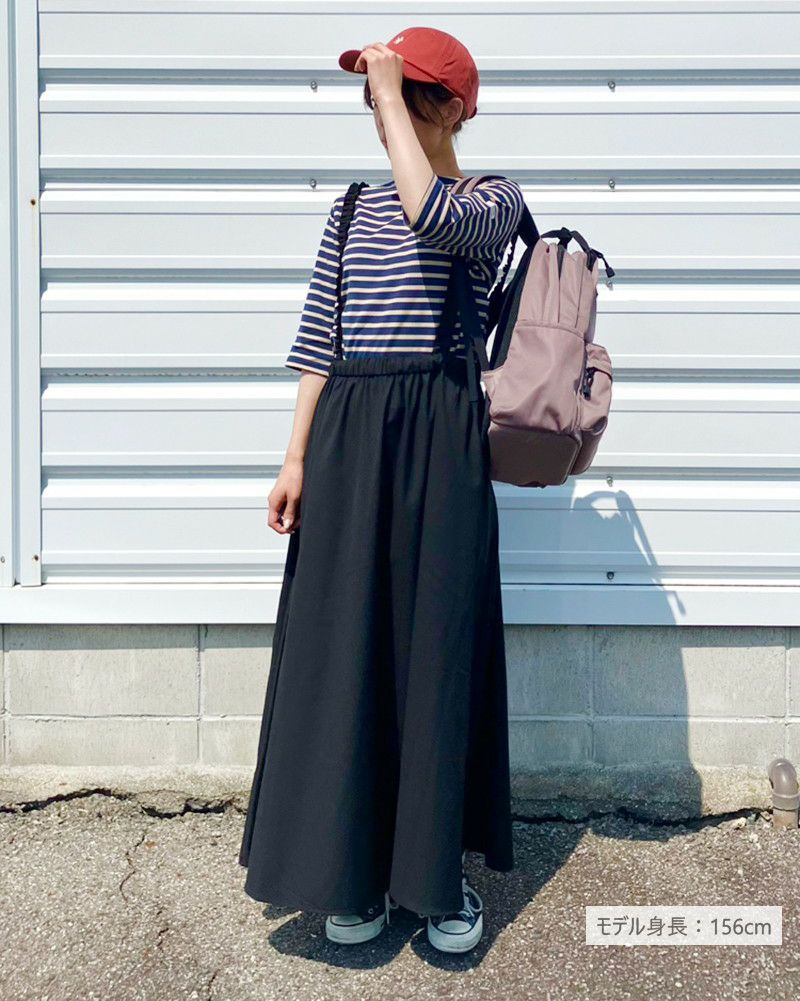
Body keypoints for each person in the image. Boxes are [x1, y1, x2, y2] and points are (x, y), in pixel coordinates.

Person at [239, 25, 526, 954]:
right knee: (346, 651)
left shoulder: (492, 199)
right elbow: (319, 336)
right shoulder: (351, 208)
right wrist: (295, 457)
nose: (376, 113)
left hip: (441, 432)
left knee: (435, 650)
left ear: (446, 107)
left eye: (395, 96)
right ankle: (348, 870)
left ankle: (437, 883)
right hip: (350, 433)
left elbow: (433, 218)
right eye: (371, 100)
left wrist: (397, 96)